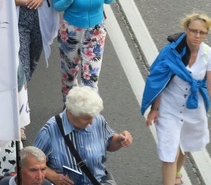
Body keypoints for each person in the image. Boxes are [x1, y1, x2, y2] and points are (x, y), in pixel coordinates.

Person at [143, 13, 211, 185]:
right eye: (193, 30)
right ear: (186, 29)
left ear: (207, 33)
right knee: (168, 152)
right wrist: (155, 109)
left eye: (202, 32)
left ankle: (177, 173)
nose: (197, 35)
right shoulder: (171, 51)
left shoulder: (208, 54)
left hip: (193, 106)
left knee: (185, 144)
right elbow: (159, 80)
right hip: (169, 107)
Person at [54, 0, 116, 99]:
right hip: (71, 32)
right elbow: (57, 5)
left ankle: (88, 114)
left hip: (95, 31)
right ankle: (68, 108)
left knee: (91, 78)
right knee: (69, 74)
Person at [35, 87, 132, 185]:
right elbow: (34, 164)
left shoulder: (98, 120)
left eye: (93, 116)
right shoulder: (49, 131)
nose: (91, 122)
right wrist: (53, 177)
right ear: (71, 113)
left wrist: (119, 141)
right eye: (86, 119)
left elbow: (109, 143)